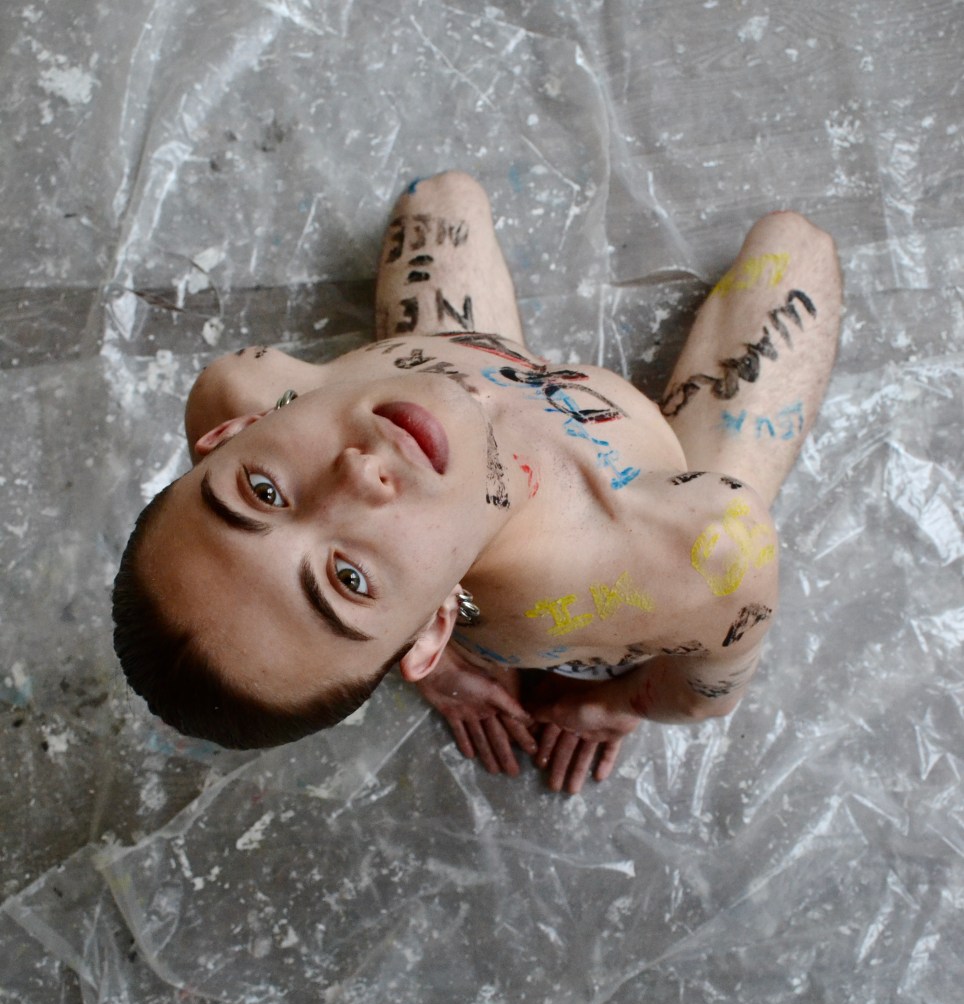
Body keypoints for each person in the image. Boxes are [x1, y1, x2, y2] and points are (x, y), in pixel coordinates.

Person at [112, 171, 840, 793]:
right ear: (432, 624)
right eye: (349, 579)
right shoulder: (671, 547)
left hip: (468, 364)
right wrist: (619, 704)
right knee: (796, 249)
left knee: (441, 196)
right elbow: (710, 691)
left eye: (264, 492)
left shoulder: (240, 387)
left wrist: (428, 662)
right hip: (655, 492)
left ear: (234, 434)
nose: (358, 476)